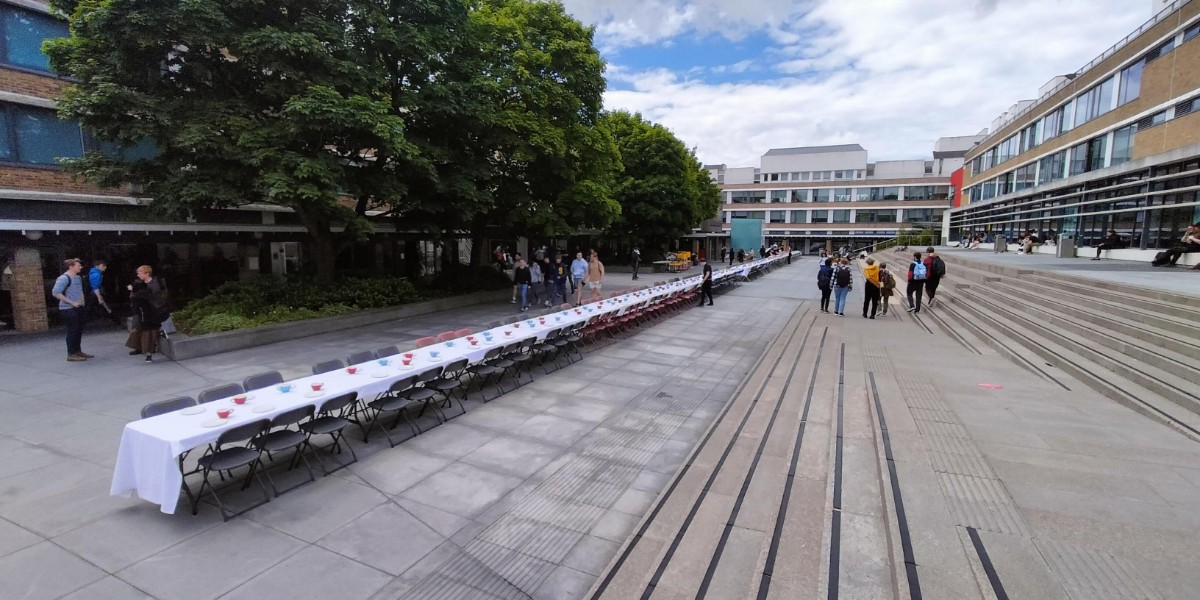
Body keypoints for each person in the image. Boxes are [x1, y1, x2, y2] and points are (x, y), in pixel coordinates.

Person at [52, 258, 92, 362]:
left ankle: (77, 351)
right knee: (72, 330)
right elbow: (56, 293)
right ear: (71, 266)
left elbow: (80, 291)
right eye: (78, 266)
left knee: (79, 330)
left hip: (79, 307)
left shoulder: (78, 278)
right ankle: (71, 353)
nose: (81, 267)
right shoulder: (64, 278)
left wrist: (82, 302)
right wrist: (71, 302)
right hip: (67, 308)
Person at [126, 265, 165, 362]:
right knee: (137, 329)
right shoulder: (139, 283)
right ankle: (141, 348)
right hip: (141, 311)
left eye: (140, 273)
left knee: (148, 333)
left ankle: (148, 352)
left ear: (146, 274)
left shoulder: (154, 283)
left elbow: (153, 296)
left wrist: (134, 290)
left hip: (153, 311)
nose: (138, 274)